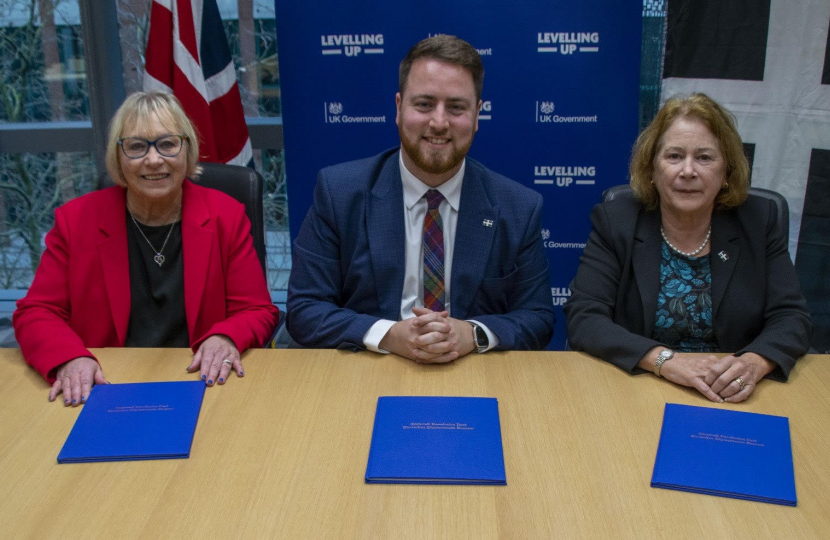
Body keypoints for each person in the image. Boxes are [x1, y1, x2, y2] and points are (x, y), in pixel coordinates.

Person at [287, 35, 554, 362]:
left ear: (478, 114)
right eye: (424, 104)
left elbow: (538, 317)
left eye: (456, 107)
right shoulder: (338, 192)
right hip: (370, 370)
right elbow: (304, 310)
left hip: (474, 372)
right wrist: (389, 334)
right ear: (399, 108)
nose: (439, 122)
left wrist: (472, 333)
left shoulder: (518, 207)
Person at [13, 91, 280, 405]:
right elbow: (36, 312)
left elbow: (257, 309)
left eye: (167, 144)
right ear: (119, 157)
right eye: (137, 146)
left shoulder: (226, 216)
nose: (154, 159)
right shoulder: (76, 221)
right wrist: (70, 358)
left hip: (200, 382)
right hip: (107, 384)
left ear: (187, 149)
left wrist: (226, 337)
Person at [565, 93, 811, 403]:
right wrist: (665, 361)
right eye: (674, 156)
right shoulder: (617, 221)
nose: (688, 171)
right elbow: (585, 317)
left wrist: (754, 363)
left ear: (726, 173)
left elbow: (791, 317)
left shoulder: (758, 221)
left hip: (733, 391)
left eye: (705, 158)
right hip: (638, 385)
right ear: (652, 170)